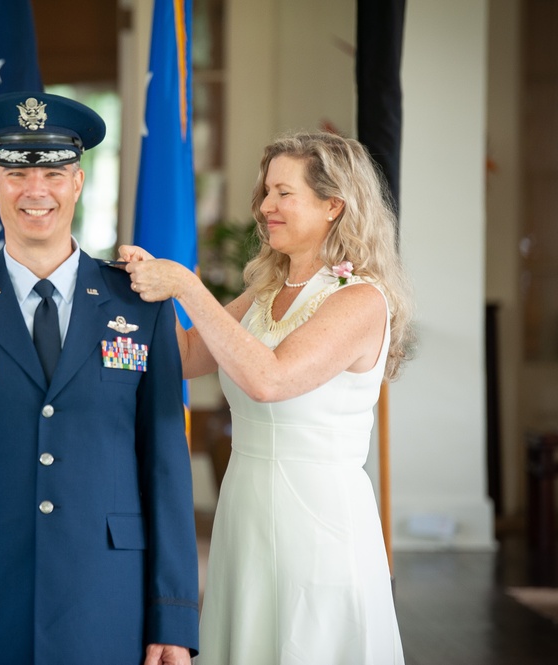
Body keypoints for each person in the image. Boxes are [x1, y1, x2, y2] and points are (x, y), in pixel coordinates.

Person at [0, 92, 199, 665]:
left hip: (107, 594)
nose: (37, 190)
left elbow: (165, 465)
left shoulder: (142, 302)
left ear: (77, 184)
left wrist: (172, 614)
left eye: (54, 173)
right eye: (18, 173)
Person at [121, 131, 414, 664]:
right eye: (266, 192)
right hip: (246, 508)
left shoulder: (361, 300)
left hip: (319, 517)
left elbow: (271, 379)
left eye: (283, 193)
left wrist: (187, 286)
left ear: (333, 205)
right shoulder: (265, 292)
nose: (264, 207)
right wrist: (108, 306)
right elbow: (187, 356)